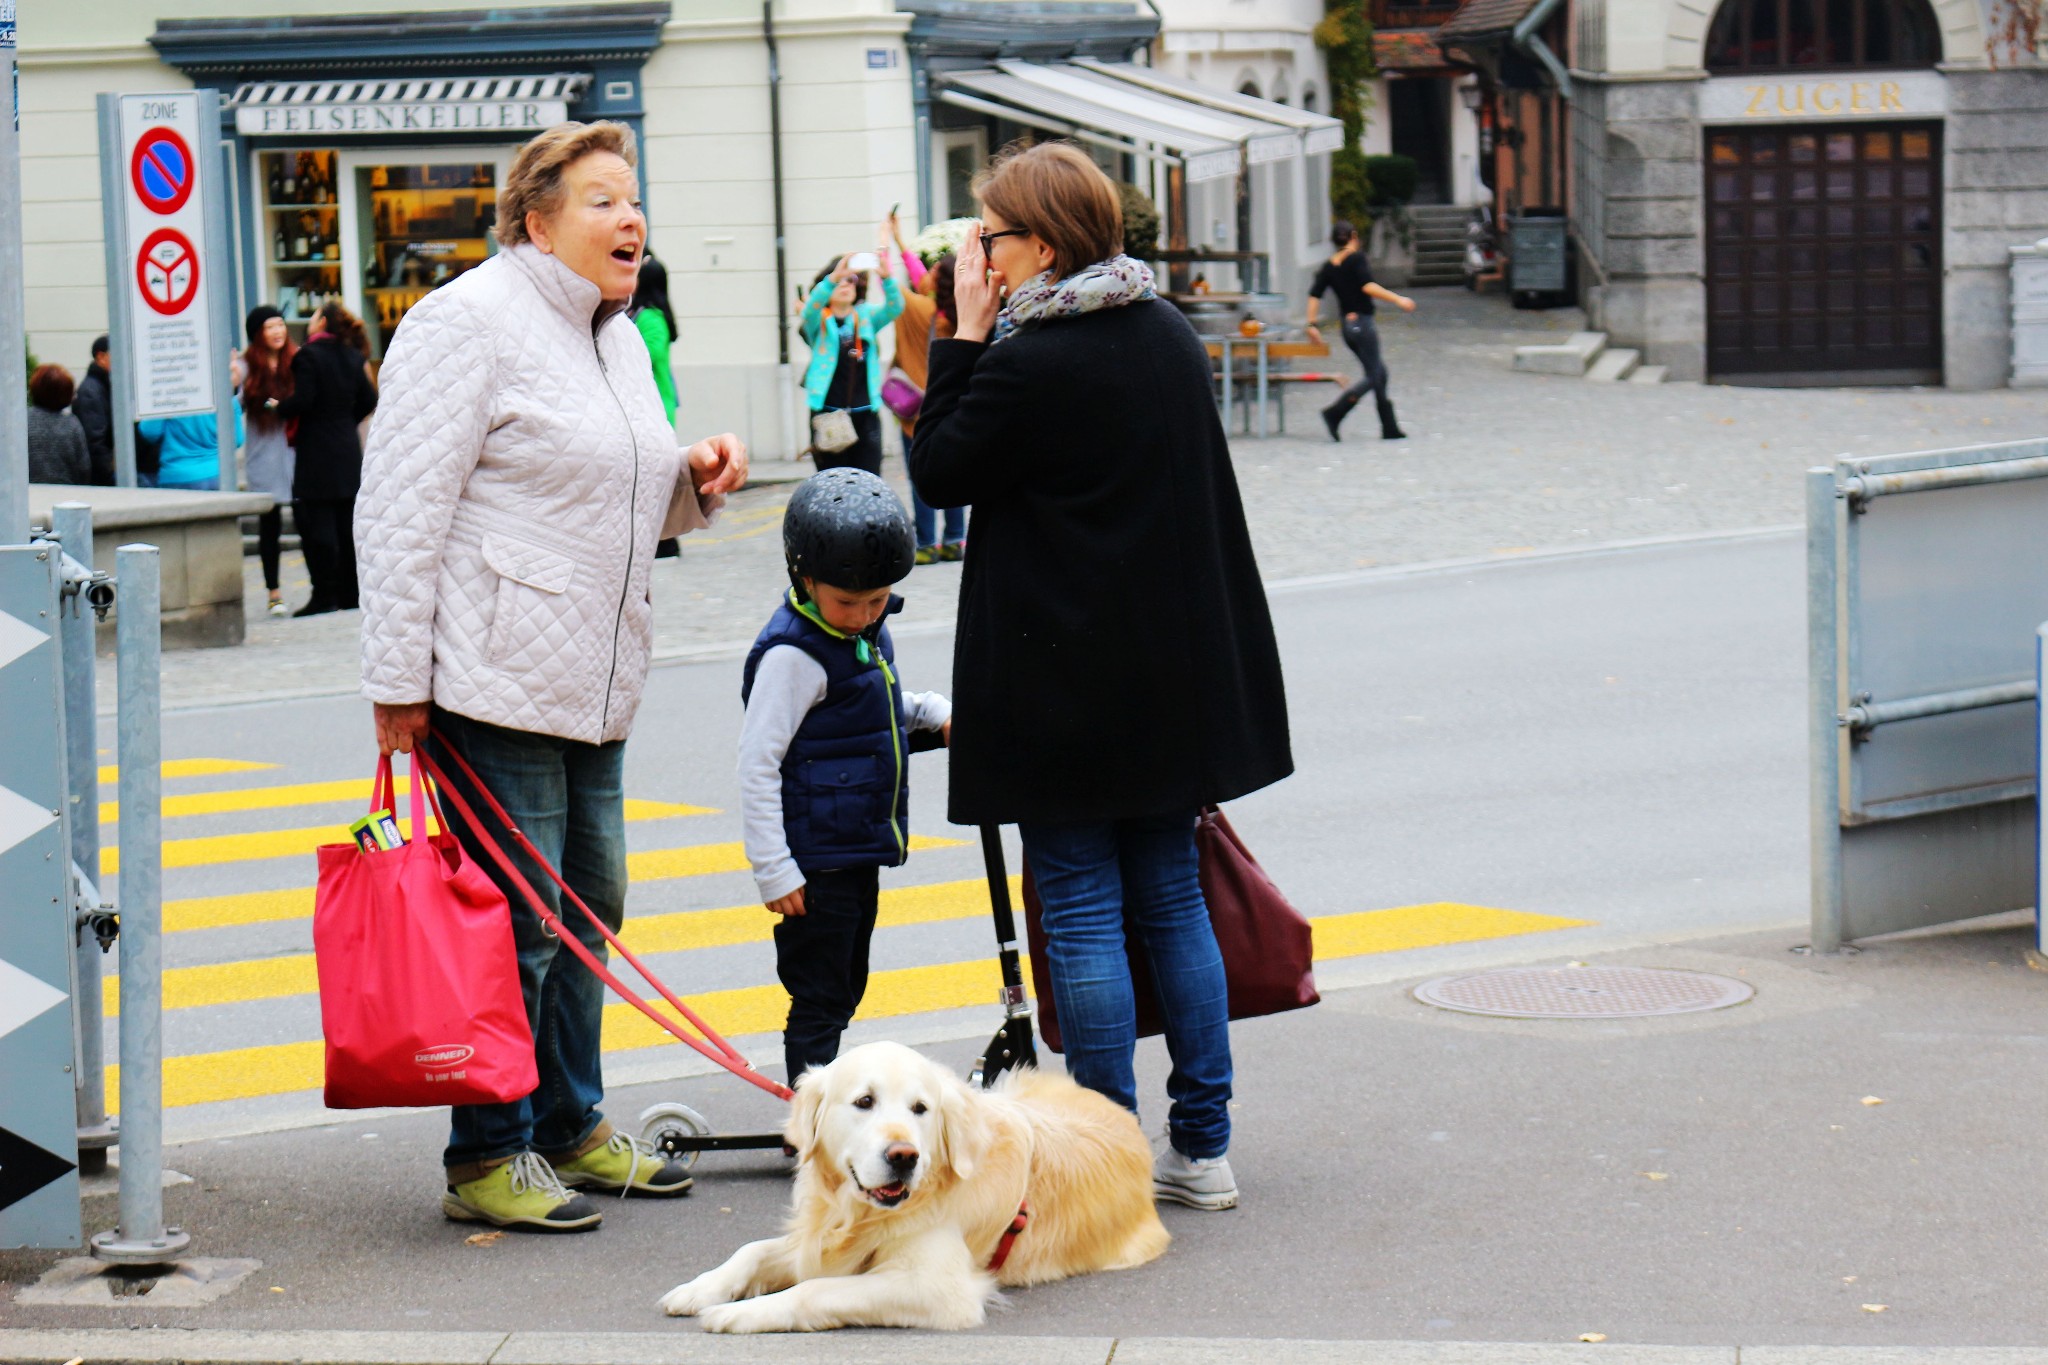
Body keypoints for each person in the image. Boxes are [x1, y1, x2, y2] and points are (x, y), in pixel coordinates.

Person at [356, 119, 748, 1233]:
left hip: (596, 672)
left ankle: (570, 1124)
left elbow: (613, 492)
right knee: (518, 922)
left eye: (634, 202)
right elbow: (396, 511)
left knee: (591, 908)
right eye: (603, 201)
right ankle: (487, 1149)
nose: (631, 220)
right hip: (491, 674)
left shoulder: (614, 334)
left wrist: (693, 481)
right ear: (537, 220)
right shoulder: (464, 323)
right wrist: (397, 685)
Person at [909, 141, 1292, 1213]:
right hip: (1169, 678)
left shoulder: (1029, 356)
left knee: (1078, 905)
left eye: (987, 236)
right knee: (1170, 898)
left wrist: (966, 335)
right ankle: (1202, 1147)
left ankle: (1108, 1155)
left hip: (1058, 682)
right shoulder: (1162, 331)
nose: (976, 254)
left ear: (1037, 244)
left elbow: (937, 469)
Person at [739, 469, 950, 1084]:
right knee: (820, 997)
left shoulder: (860, 635)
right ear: (804, 579)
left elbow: (874, 704)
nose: (862, 615)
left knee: (845, 986)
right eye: (847, 602)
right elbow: (757, 763)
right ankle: (812, 1124)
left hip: (853, 850)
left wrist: (933, 712)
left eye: (877, 600)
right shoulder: (793, 657)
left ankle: (823, 1108)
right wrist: (773, 868)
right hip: (815, 865)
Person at [278, 301, 377, 617]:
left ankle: (324, 593)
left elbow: (304, 399)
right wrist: (345, 420)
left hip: (316, 450)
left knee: (317, 526)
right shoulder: (352, 355)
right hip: (346, 449)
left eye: (315, 315)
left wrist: (278, 407)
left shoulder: (308, 355)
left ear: (322, 323)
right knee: (348, 525)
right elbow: (370, 398)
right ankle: (351, 592)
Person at [887, 228, 966, 565]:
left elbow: (894, 287)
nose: (926, 272)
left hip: (917, 408)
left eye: (933, 269)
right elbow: (919, 276)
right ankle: (954, 538)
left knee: (920, 473)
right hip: (953, 405)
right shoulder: (959, 312)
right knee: (954, 471)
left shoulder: (919, 309)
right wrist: (900, 241)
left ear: (938, 281)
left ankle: (926, 542)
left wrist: (883, 251)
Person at [799, 222, 903, 475]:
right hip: (828, 413)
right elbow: (809, 309)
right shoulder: (820, 321)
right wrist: (832, 278)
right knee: (831, 479)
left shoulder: (865, 316)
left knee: (868, 479)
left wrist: (886, 276)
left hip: (865, 412)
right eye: (840, 282)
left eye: (851, 280)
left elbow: (895, 306)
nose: (846, 285)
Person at [1305, 220, 1416, 442]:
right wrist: (1398, 299)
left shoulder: (1329, 266)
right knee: (1375, 374)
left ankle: (1389, 427)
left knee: (1378, 373)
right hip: (1363, 324)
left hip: (1347, 327)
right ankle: (1336, 412)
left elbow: (1315, 295)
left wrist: (1311, 324)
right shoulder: (1356, 259)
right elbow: (1368, 286)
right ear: (1354, 237)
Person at [241, 306, 297, 618]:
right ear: (257, 334)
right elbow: (235, 400)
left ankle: (323, 586)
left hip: (295, 452)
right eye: (269, 327)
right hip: (264, 454)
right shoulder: (246, 366)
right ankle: (274, 592)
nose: (277, 332)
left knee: (309, 519)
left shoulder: (297, 361)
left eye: (280, 325)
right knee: (269, 525)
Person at [137, 395, 241, 492]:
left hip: (178, 476)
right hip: (219, 473)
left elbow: (149, 432)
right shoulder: (219, 385)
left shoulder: (168, 392)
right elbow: (237, 439)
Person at [26, 364, 91, 485]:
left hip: (29, 493)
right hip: (65, 495)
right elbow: (84, 468)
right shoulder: (71, 424)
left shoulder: (23, 422)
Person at [72, 337, 115, 486]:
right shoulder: (91, 391)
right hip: (102, 477)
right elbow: (95, 440)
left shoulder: (101, 386)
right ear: (101, 357)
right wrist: (111, 475)